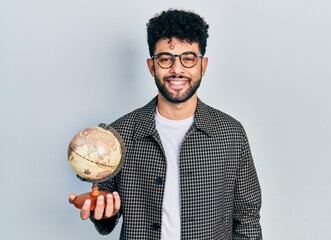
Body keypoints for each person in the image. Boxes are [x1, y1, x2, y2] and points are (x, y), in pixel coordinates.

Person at [69, 9, 262, 240]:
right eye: (165, 59)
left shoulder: (231, 134)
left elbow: (247, 219)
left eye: (188, 58)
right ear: (152, 66)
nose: (177, 69)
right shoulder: (117, 136)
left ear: (203, 65)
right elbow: (106, 212)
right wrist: (101, 212)